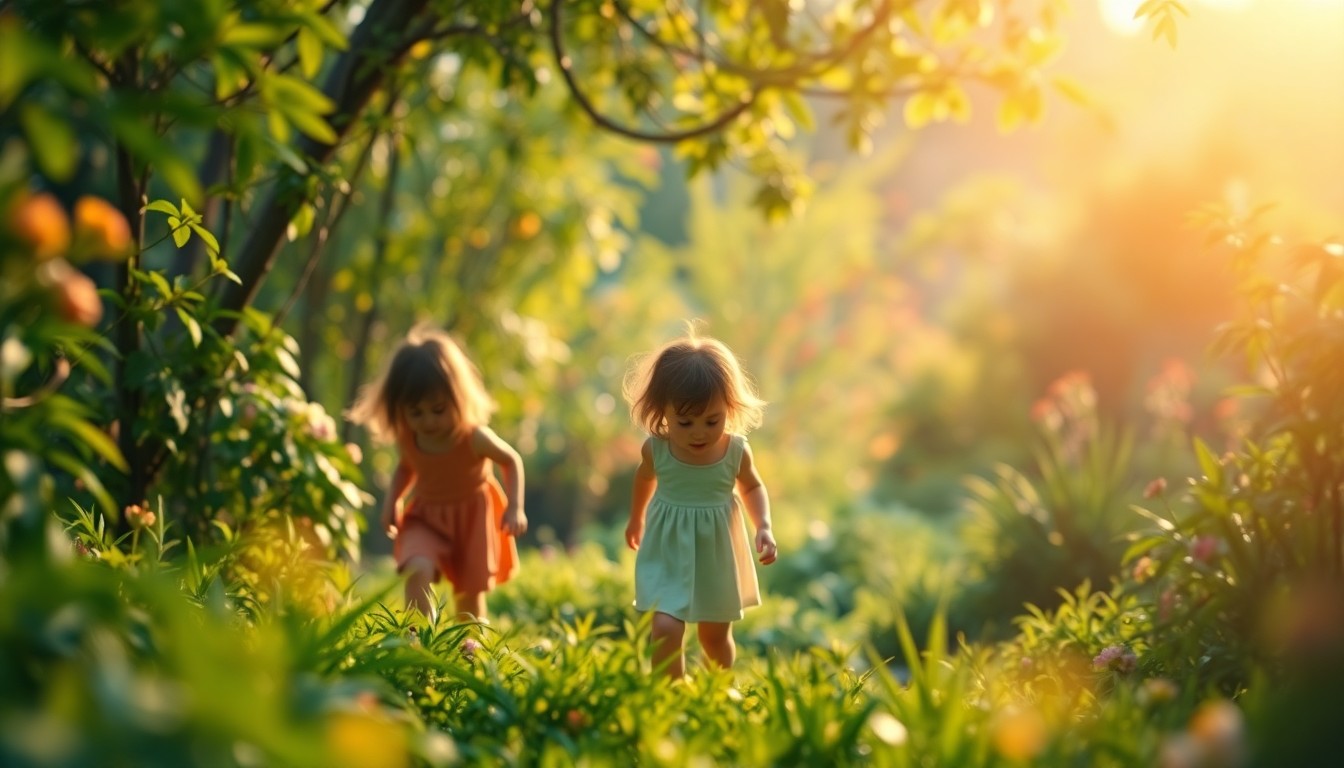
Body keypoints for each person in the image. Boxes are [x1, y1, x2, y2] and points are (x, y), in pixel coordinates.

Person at [622, 324, 778, 680]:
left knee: (715, 638)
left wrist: (764, 525)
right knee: (664, 628)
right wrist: (636, 518)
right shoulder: (656, 450)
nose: (699, 432)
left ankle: (714, 690)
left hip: (716, 551)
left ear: (730, 407)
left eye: (712, 420)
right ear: (662, 410)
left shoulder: (735, 451)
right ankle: (671, 695)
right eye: (685, 421)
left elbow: (753, 488)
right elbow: (644, 478)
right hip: (668, 548)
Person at [348, 324, 526, 622]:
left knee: (469, 598)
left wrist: (515, 507)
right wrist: (393, 501)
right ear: (398, 410)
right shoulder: (410, 438)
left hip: (472, 520)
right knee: (417, 568)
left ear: (458, 399)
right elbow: (406, 468)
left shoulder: (473, 437)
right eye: (415, 412)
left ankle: (470, 652)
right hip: (427, 518)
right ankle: (419, 639)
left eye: (438, 409)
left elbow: (511, 460)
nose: (428, 421)